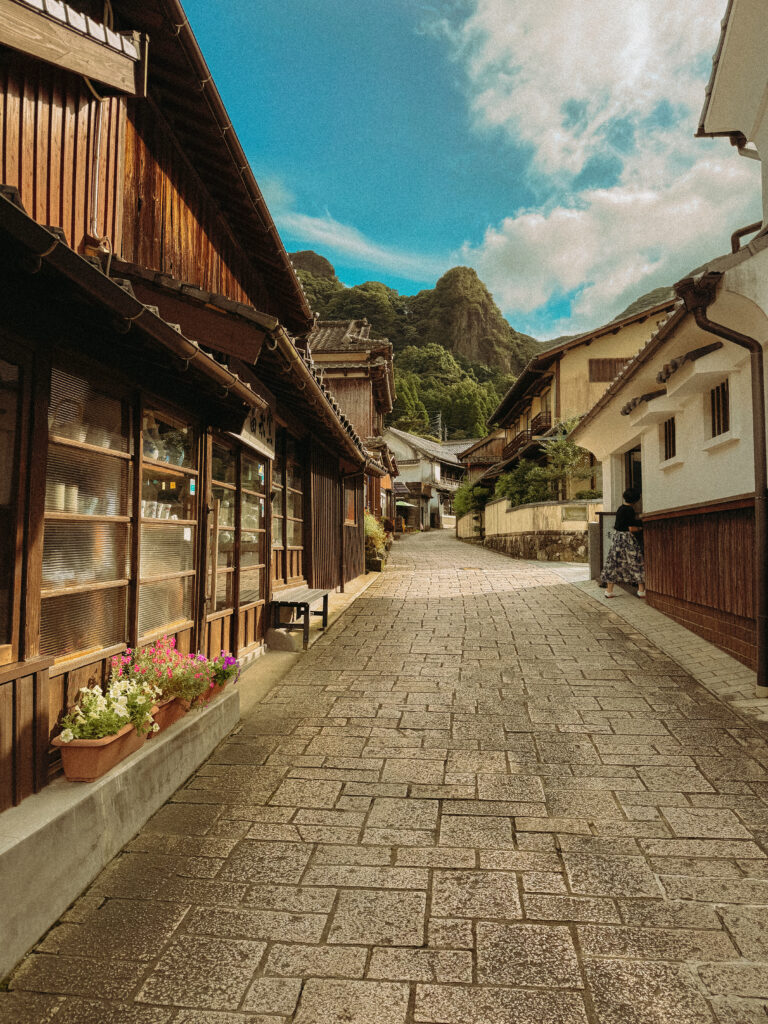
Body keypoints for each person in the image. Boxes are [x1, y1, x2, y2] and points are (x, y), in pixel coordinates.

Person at [601, 487, 646, 598]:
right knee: (635, 561)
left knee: (613, 563)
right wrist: (641, 528)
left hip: (617, 538)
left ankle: (609, 591)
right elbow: (631, 528)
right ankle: (641, 590)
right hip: (627, 538)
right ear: (636, 500)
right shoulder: (630, 510)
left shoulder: (620, 508)